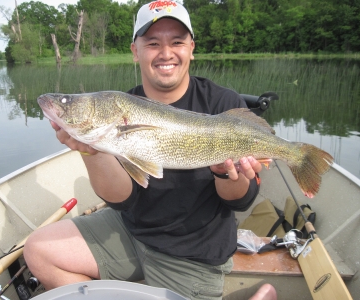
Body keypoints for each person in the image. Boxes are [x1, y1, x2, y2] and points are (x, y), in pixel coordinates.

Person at [24, 1, 276, 299]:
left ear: (191, 48)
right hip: (132, 232)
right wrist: (92, 151)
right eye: (153, 43)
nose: (166, 53)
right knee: (38, 250)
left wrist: (225, 174)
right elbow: (122, 199)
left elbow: (241, 201)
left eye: (177, 42)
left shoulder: (222, 103)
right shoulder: (123, 107)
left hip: (192, 252)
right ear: (135, 51)